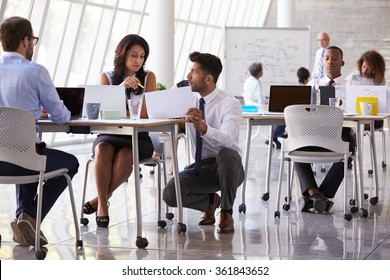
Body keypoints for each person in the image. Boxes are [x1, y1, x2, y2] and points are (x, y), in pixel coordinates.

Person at [0, 16, 79, 246]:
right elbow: (61, 116)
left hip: (1, 159)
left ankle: (24, 217)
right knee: (70, 162)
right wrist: (42, 111)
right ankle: (31, 217)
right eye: (32, 40)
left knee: (28, 153)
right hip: (26, 159)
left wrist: (33, 112)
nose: (32, 45)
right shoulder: (35, 72)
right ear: (25, 41)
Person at [163, 52, 245, 233]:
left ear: (208, 78)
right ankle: (210, 201)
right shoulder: (186, 97)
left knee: (226, 153)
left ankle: (226, 212)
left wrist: (203, 127)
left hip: (229, 167)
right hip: (202, 168)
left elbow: (228, 139)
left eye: (193, 72)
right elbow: (159, 106)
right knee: (170, 194)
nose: (188, 76)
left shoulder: (230, 103)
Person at [83, 34, 155, 227]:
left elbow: (147, 112)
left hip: (138, 137)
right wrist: (120, 89)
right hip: (109, 133)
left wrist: (120, 109)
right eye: (134, 55)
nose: (138, 61)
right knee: (102, 150)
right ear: (122, 55)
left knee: (125, 155)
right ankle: (103, 207)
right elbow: (102, 112)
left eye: (142, 56)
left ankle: (98, 200)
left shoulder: (148, 77)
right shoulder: (106, 77)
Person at [297, 46, 356, 213]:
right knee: (295, 145)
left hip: (339, 133)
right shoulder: (312, 85)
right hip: (313, 132)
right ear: (322, 62)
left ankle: (315, 196)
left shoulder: (350, 87)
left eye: (335, 58)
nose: (330, 62)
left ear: (342, 62)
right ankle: (317, 196)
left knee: (350, 146)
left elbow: (355, 114)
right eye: (327, 58)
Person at [347, 50, 386, 130]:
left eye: (368, 68)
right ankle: (357, 137)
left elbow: (381, 102)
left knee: (362, 123)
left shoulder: (380, 80)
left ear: (374, 69)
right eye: (364, 67)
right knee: (354, 122)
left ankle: (358, 134)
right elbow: (348, 97)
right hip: (355, 114)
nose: (365, 70)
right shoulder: (354, 78)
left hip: (374, 116)